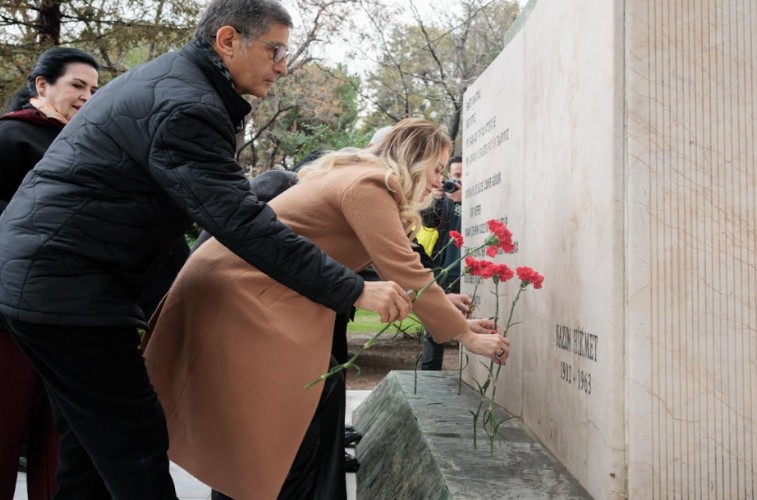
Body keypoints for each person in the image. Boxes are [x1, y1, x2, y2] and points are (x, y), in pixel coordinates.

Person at [0, 0, 410, 498]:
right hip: (65, 288)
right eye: (275, 50)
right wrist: (350, 290)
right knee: (136, 443)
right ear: (228, 40)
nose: (283, 65)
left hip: (51, 281)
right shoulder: (186, 104)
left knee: (93, 449)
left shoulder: (180, 85)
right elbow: (239, 222)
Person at [143, 118, 511, 499]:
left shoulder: (356, 176)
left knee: (275, 430)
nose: (440, 181)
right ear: (414, 158)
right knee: (285, 429)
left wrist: (442, 305)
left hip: (243, 292)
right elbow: (403, 268)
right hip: (244, 297)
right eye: (436, 168)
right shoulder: (372, 183)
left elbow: (354, 256)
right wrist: (464, 334)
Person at [0, 46, 99, 500]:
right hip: (10, 316)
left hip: (72, 314)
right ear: (42, 85)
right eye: (77, 85)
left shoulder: (87, 145)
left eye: (93, 89)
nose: (87, 96)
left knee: (60, 444)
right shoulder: (10, 138)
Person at [420, 155, 465, 370]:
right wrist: (437, 199)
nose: (458, 181)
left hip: (466, 268)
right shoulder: (444, 198)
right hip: (443, 267)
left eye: (464, 176)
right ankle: (429, 370)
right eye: (456, 176)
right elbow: (428, 222)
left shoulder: (475, 200)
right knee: (433, 321)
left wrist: (463, 201)